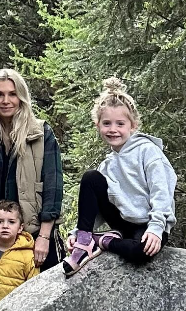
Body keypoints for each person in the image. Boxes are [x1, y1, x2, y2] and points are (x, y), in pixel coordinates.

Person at [62, 77, 176, 276]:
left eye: (120, 124)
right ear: (98, 126)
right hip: (123, 223)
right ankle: (84, 240)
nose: (113, 129)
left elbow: (162, 191)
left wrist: (156, 228)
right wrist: (77, 232)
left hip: (149, 224)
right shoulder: (107, 164)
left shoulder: (148, 151)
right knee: (91, 178)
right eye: (106, 123)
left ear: (132, 125)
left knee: (141, 252)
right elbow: (97, 207)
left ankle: (101, 241)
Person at [0, 68, 63, 274]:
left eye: (12, 94)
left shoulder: (42, 134)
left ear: (22, 97)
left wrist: (44, 237)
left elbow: (53, 189)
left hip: (34, 234)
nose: (5, 100)